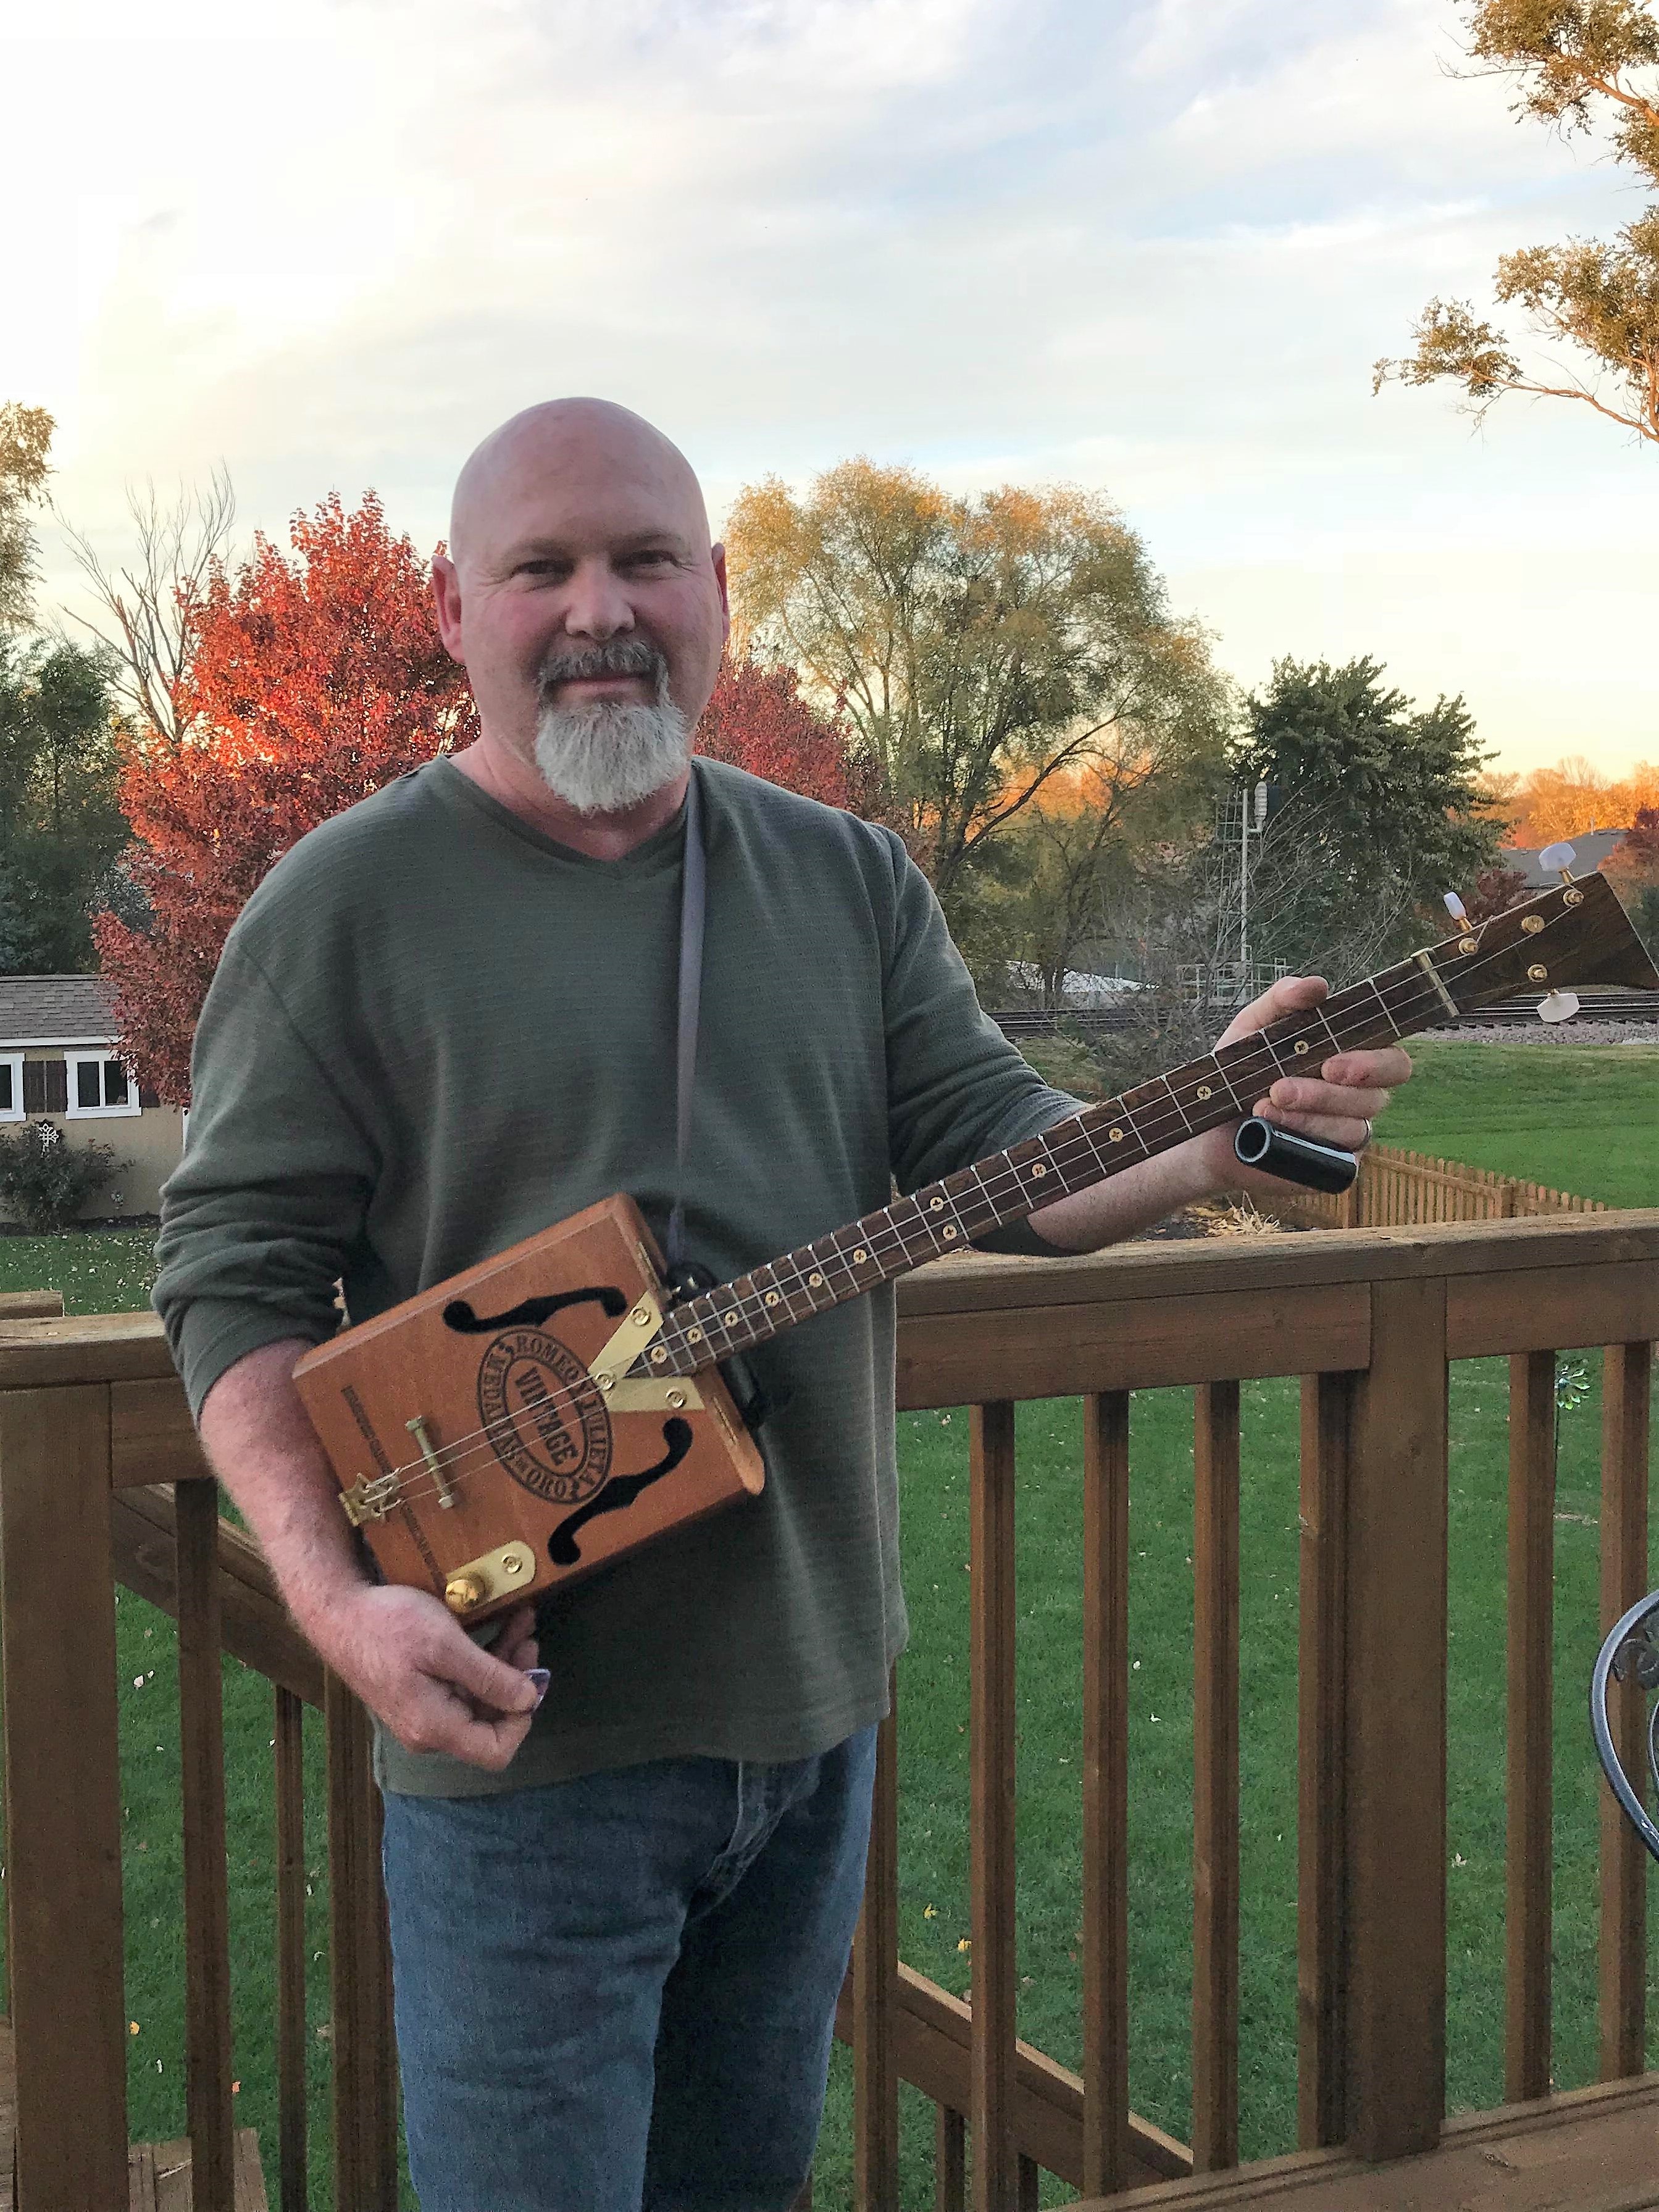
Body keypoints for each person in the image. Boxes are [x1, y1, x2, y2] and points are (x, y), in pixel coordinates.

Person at [154, 398, 1412, 2212]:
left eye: (646, 560)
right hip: (527, 1756)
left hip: (808, 1725)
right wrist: (335, 1597)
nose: (601, 607)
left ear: (720, 593)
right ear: (454, 609)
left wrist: (1210, 1141)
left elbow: (1009, 1154)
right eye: (543, 567)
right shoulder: (340, 907)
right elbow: (232, 1276)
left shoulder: (844, 877)